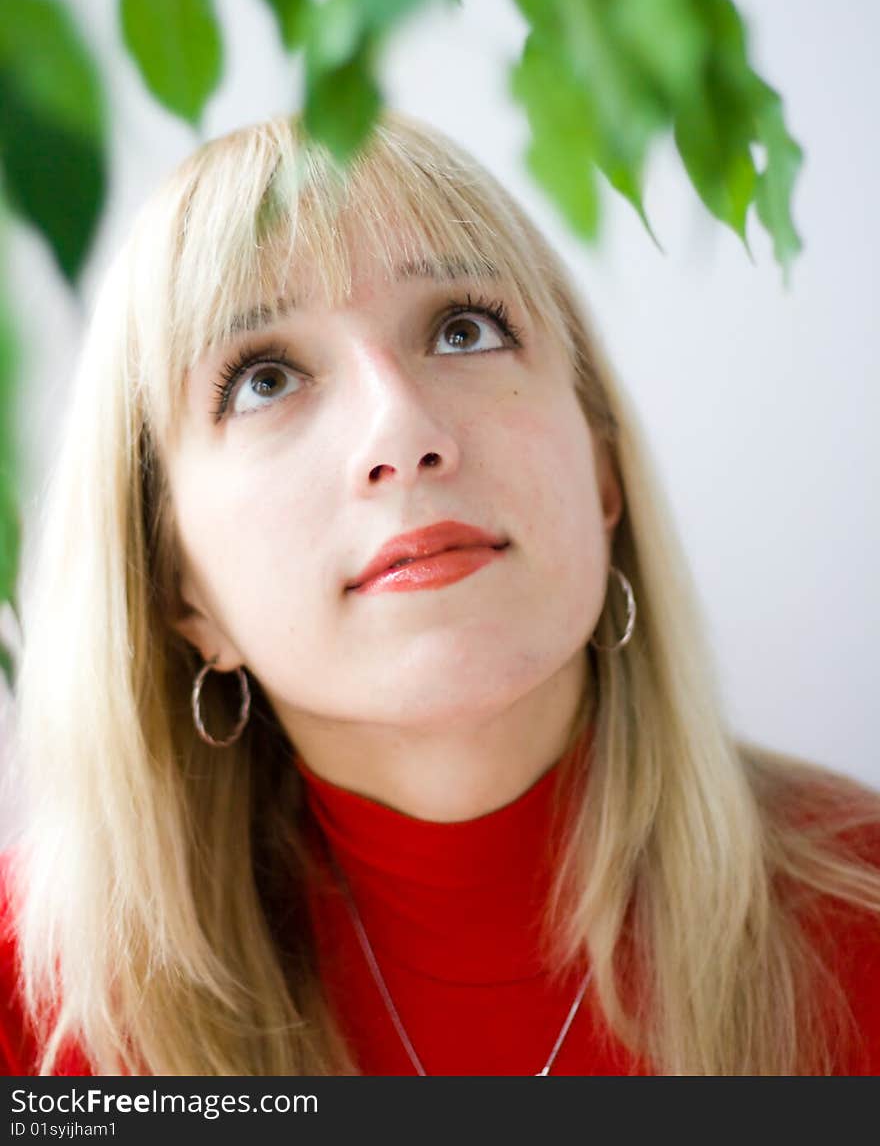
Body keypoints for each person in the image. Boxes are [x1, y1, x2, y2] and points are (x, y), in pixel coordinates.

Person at [1, 111, 879, 1077]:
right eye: (264, 379)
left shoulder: (862, 907)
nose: (401, 430)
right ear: (180, 593)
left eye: (464, 330)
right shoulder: (32, 1001)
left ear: (600, 473)